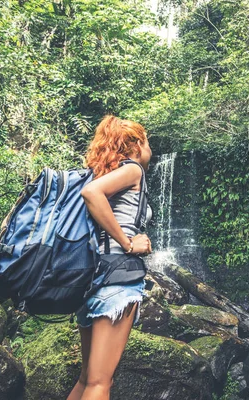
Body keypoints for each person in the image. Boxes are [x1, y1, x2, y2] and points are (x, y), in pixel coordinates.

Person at [67, 115, 153, 400]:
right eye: (148, 141)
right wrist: (128, 244)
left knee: (87, 380)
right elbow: (91, 193)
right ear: (138, 145)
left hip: (93, 282)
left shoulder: (104, 173)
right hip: (118, 280)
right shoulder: (133, 170)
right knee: (100, 384)